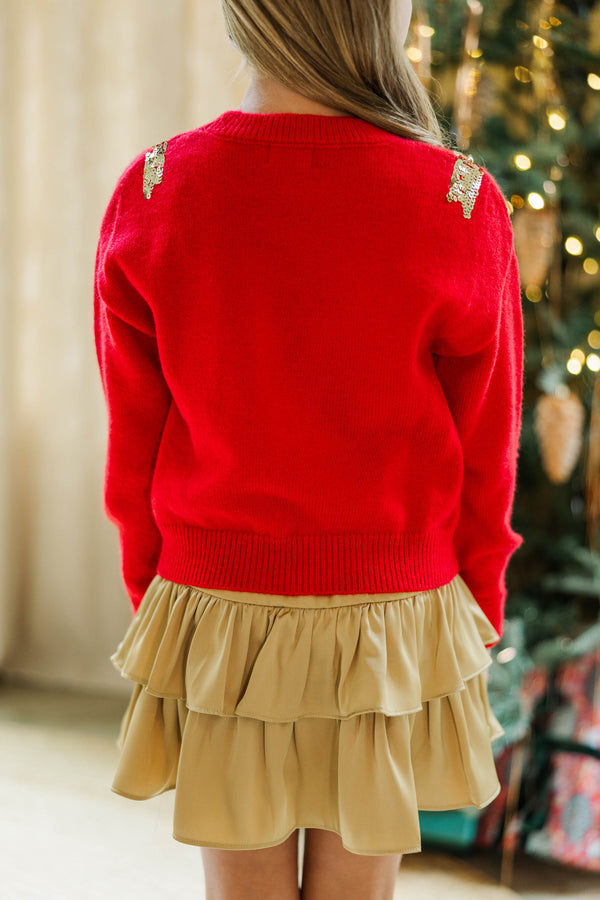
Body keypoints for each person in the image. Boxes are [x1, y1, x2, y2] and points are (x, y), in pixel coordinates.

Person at [93, 0, 525, 898]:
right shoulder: (458, 202)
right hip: (393, 619)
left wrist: (157, 598)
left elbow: (133, 441)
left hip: (220, 608)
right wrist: (475, 603)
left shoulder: (156, 188)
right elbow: (489, 451)